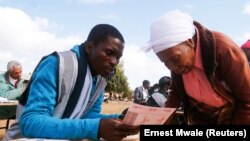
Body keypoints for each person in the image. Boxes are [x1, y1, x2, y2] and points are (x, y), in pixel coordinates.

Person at [4, 24, 139, 141]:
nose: (114, 62)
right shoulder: (57, 64)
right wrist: (95, 128)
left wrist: (119, 119)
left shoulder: (100, 78)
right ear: (90, 46)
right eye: (109, 53)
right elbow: (31, 122)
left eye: (118, 58)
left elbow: (86, 115)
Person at [144, 10, 250, 124]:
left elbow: (247, 100)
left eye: (175, 59)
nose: (172, 67)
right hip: (199, 115)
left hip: (230, 115)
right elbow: (176, 92)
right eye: (165, 62)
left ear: (190, 42)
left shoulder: (222, 48)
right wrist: (162, 119)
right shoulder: (176, 62)